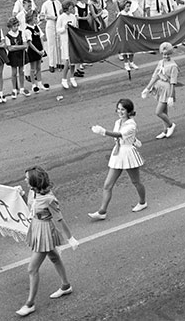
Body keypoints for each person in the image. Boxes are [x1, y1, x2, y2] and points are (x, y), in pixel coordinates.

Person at [15, 166, 77, 317]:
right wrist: (21, 195)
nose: (24, 180)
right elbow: (31, 208)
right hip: (36, 227)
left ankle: (30, 303)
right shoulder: (32, 192)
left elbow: (60, 219)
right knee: (54, 257)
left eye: (27, 178)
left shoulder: (49, 199)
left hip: (44, 232)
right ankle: (65, 285)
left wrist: (71, 238)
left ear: (34, 181)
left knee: (32, 269)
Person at [87, 98, 148, 220]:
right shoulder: (117, 122)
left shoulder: (131, 124)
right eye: (118, 109)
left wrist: (103, 132)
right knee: (107, 185)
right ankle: (102, 211)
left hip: (128, 154)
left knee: (136, 182)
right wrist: (133, 139)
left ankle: (142, 202)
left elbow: (119, 134)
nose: (120, 112)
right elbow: (118, 137)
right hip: (118, 153)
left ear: (129, 111)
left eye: (123, 109)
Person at [142, 42, 179, 139]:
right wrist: (147, 88)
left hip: (167, 89)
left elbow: (173, 82)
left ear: (170, 53)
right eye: (164, 54)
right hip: (159, 87)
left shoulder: (173, 66)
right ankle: (165, 130)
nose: (165, 56)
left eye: (167, 54)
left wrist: (171, 96)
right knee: (164, 112)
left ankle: (171, 125)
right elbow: (155, 76)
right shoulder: (160, 63)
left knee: (158, 112)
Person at [5, 16, 29, 98]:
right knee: (14, 73)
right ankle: (14, 89)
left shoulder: (21, 33)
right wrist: (19, 46)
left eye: (16, 26)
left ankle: (22, 88)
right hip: (13, 56)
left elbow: (25, 45)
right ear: (10, 27)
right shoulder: (8, 36)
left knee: (21, 71)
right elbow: (9, 48)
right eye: (14, 26)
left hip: (21, 54)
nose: (16, 27)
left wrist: (15, 47)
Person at [24, 12, 48, 93]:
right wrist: (37, 51)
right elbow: (29, 43)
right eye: (34, 18)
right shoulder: (27, 30)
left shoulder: (36, 27)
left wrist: (43, 49)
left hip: (39, 50)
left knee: (39, 67)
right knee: (33, 68)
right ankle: (34, 84)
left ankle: (40, 83)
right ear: (30, 20)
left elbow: (41, 37)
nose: (36, 19)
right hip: (33, 51)